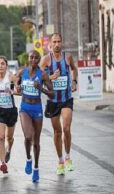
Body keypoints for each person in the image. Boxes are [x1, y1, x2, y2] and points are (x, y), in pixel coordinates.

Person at [39, 32, 78, 175]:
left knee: (66, 128)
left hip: (66, 98)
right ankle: (60, 160)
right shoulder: (45, 60)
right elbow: (37, 77)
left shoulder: (67, 57)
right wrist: (50, 77)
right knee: (57, 132)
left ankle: (68, 158)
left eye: (59, 41)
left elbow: (74, 69)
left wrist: (74, 81)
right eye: (54, 42)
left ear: (62, 43)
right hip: (53, 101)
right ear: (50, 44)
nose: (56, 44)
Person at [15, 50, 54, 183]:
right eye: (31, 57)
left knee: (36, 142)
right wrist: (17, 86)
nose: (33, 59)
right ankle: (28, 159)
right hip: (25, 107)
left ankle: (36, 168)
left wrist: (41, 89)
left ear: (38, 60)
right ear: (28, 58)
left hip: (37, 108)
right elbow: (16, 81)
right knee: (28, 136)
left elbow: (52, 94)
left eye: (36, 58)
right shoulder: (22, 72)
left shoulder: (42, 75)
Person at [0, 56, 18, 174]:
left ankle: (9, 150)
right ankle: (3, 163)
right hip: (0, 111)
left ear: (6, 66)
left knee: (9, 138)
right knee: (1, 137)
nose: (1, 66)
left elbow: (18, 90)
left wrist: (12, 90)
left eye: (3, 64)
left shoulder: (11, 77)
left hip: (11, 110)